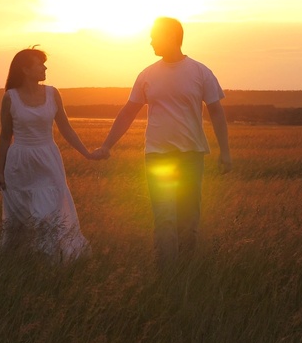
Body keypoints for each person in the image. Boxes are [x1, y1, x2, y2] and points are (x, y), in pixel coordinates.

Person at [93, 17, 231, 269]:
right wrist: (107, 145)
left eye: (154, 36)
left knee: (188, 221)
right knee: (164, 217)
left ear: (170, 37)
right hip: (157, 156)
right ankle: (167, 274)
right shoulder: (147, 75)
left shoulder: (201, 72)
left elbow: (217, 112)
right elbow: (128, 112)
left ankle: (186, 271)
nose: (150, 41)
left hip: (191, 155)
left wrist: (225, 151)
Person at [0, 47, 93, 263]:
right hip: (19, 163)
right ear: (25, 69)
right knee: (19, 219)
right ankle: (22, 262)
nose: (45, 67)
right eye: (39, 64)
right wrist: (0, 173)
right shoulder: (10, 98)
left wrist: (86, 152)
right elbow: (4, 137)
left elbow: (66, 129)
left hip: (48, 160)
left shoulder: (53, 94)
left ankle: (51, 260)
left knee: (47, 215)